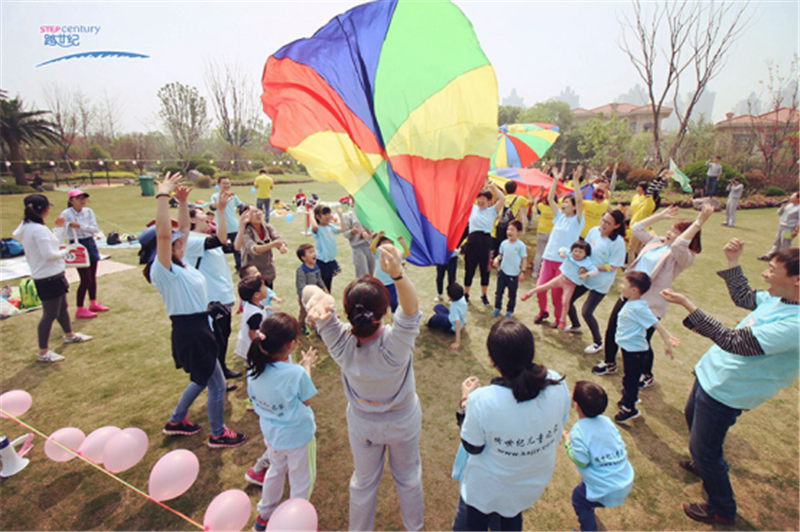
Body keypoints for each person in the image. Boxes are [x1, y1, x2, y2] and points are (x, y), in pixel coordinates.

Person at [660, 242, 799, 525]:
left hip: (729, 391)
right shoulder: (782, 299)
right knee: (692, 420)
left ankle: (721, 508)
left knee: (706, 450)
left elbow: (735, 342)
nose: (765, 274)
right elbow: (745, 297)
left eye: (772, 270)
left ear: (797, 279)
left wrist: (688, 304)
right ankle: (702, 464)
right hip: (712, 375)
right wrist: (732, 260)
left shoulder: (795, 325)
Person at [304, 244, 424, 532]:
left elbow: (307, 292)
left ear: (345, 312)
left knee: (363, 483)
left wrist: (319, 298)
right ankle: (415, 528)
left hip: (363, 424)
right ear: (384, 311)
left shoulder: (339, 339)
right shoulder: (396, 343)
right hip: (402, 422)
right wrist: (397, 274)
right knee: (408, 478)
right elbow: (411, 309)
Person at [146, 173, 246, 448]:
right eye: (175, 239)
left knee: (204, 379)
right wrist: (162, 196)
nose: (180, 239)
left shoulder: (182, 264)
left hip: (199, 327)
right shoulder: (163, 270)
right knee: (213, 384)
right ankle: (217, 433)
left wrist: (182, 201)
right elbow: (166, 234)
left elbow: (182, 231)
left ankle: (176, 420)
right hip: (190, 332)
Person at [452, 319, 570, 531]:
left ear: (491, 360)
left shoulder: (482, 400)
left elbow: (473, 446)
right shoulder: (556, 383)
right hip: (527, 485)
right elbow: (560, 421)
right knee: (509, 517)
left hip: (486, 489)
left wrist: (465, 402)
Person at [593, 204, 712, 383]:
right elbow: (636, 227)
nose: (670, 233)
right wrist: (661, 216)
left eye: (675, 231)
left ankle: (646, 374)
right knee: (613, 328)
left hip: (649, 302)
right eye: (670, 229)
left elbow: (679, 245)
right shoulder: (657, 242)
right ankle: (609, 361)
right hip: (629, 294)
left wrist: (698, 222)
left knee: (642, 341)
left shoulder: (683, 256)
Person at [248, 313, 319, 532]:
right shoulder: (295, 373)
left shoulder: (253, 370)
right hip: (298, 437)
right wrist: (306, 365)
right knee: (301, 482)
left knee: (275, 472)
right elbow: (306, 399)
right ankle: (298, 523)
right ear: (292, 343)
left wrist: (299, 366)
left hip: (273, 436)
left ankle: (264, 516)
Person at [13, 194, 92, 362]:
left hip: (50, 274)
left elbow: (50, 245)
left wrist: (57, 230)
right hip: (47, 276)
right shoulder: (37, 229)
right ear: (45, 209)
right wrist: (67, 251)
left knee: (62, 306)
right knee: (49, 314)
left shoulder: (27, 227)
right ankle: (43, 352)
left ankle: (69, 334)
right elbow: (50, 254)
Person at [562, 381, 634, 532]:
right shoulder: (606, 421)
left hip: (606, 487)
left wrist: (568, 443)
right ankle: (592, 505)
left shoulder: (578, 431)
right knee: (586, 493)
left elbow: (581, 460)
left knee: (578, 499)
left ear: (577, 405)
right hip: (624, 479)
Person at [612, 271, 678, 423]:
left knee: (631, 380)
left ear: (634, 290)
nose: (621, 286)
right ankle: (629, 399)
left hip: (635, 352)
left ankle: (629, 409)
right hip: (628, 349)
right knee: (629, 378)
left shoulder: (638, 308)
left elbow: (656, 324)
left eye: (624, 285)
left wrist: (667, 343)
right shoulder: (631, 302)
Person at [185, 201, 242, 381]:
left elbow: (234, 247)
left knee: (223, 335)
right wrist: (221, 211)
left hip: (222, 296)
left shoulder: (204, 237)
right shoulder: (191, 240)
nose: (207, 217)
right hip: (210, 299)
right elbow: (219, 240)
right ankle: (216, 377)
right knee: (215, 338)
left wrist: (243, 224)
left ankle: (222, 369)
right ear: (192, 219)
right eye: (202, 214)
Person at [567, 210, 627, 353]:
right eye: (603, 219)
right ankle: (575, 325)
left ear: (617, 225)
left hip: (600, 282)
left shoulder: (618, 242)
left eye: (608, 223)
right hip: (585, 276)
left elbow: (613, 266)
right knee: (567, 300)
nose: (603, 224)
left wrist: (592, 268)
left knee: (587, 311)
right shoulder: (594, 231)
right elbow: (585, 250)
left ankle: (598, 342)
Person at [533, 163, 584, 326]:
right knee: (540, 287)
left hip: (564, 262)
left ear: (574, 206)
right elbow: (549, 198)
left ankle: (557, 318)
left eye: (567, 203)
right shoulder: (559, 217)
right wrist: (555, 179)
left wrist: (575, 182)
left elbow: (580, 200)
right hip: (548, 258)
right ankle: (542, 311)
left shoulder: (577, 221)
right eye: (563, 202)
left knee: (556, 294)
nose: (563, 205)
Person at [522, 241, 597, 329]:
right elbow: (561, 248)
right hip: (561, 278)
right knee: (543, 286)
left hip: (570, 284)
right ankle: (529, 293)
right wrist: (561, 253)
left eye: (580, 252)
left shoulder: (586, 262)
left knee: (565, 301)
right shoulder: (569, 254)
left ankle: (562, 320)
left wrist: (585, 275)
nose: (577, 254)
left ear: (585, 254)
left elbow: (595, 271)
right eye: (575, 251)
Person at [59, 189, 108, 320]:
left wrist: (80, 226)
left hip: (89, 242)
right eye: (78, 198)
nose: (82, 200)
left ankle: (93, 303)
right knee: (85, 278)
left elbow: (94, 229)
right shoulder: (66, 214)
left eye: (84, 198)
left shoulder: (88, 211)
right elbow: (63, 230)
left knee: (92, 276)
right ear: (71, 201)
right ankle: (79, 308)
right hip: (76, 243)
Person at [463, 182, 505, 306]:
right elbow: (466, 194)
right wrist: (477, 185)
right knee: (469, 269)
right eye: (479, 199)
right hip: (472, 241)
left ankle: (484, 295)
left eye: (484, 199)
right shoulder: (472, 208)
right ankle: (466, 294)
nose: (481, 201)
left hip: (486, 242)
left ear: (488, 201)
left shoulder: (492, 211)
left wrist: (493, 187)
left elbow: (502, 198)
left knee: (484, 270)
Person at [237, 205, 288, 288]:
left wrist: (282, 246)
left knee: (267, 297)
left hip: (267, 272)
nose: (258, 214)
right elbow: (255, 249)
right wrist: (273, 244)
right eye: (254, 213)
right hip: (251, 275)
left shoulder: (267, 227)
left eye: (258, 211)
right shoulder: (244, 232)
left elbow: (277, 238)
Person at [491, 220, 527, 319]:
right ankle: (497, 308)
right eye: (508, 229)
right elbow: (500, 255)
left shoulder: (521, 245)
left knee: (512, 294)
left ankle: (509, 310)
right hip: (502, 272)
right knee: (498, 292)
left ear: (518, 232)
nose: (509, 232)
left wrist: (522, 272)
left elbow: (524, 259)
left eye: (512, 230)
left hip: (513, 274)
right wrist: (496, 259)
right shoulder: (503, 243)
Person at [369, 233, 410, 313]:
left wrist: (402, 243)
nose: (387, 245)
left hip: (391, 282)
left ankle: (394, 314)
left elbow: (406, 254)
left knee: (393, 301)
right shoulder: (378, 253)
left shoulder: (395, 254)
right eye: (384, 243)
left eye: (389, 243)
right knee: (378, 300)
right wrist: (377, 237)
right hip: (379, 281)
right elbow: (372, 247)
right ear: (380, 246)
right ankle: (379, 314)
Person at [209, 176, 244, 269]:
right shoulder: (215, 196)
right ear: (219, 184)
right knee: (219, 250)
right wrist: (217, 204)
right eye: (224, 183)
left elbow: (241, 205)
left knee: (237, 249)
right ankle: (220, 268)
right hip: (221, 228)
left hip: (233, 226)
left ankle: (239, 267)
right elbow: (212, 206)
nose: (226, 185)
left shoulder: (233, 196)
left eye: (228, 183)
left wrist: (239, 209)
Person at [295, 243, 327, 336]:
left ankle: (317, 327)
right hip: (305, 296)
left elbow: (319, 279)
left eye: (313, 251)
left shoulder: (316, 266)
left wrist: (324, 288)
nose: (314, 254)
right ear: (303, 257)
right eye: (310, 252)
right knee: (304, 311)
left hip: (315, 295)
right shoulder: (301, 270)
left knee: (316, 310)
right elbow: (301, 285)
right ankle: (301, 324)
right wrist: (304, 297)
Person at [758, 191, 799, 261]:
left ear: (798, 199)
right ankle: (770, 256)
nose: (790, 198)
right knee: (777, 242)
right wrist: (782, 207)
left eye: (793, 197)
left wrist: (795, 231)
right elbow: (779, 213)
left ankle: (783, 259)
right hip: (782, 226)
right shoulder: (789, 205)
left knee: (784, 244)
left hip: (789, 228)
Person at [310, 204, 342, 292]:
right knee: (320, 286)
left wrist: (340, 215)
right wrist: (311, 214)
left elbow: (343, 229)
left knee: (328, 286)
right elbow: (315, 227)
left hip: (330, 261)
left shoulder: (330, 227)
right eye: (325, 214)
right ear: (318, 216)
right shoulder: (317, 229)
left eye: (328, 213)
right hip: (321, 262)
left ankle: (327, 303)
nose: (328, 216)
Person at [341, 197, 376, 278]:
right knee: (362, 276)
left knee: (371, 275)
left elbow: (374, 228)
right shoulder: (348, 214)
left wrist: (371, 234)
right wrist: (353, 231)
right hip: (358, 248)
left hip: (370, 246)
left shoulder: (367, 211)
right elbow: (345, 234)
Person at [427, 282, 467, 351]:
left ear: (450, 297)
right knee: (438, 307)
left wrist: (457, 342)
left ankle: (429, 323)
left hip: (451, 326)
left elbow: (456, 323)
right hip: (452, 317)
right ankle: (438, 316)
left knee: (436, 318)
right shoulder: (463, 299)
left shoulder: (454, 306)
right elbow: (462, 312)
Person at [491, 180, 528, 255]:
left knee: (499, 242)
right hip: (510, 225)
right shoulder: (519, 198)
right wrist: (528, 192)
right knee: (508, 243)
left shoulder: (502, 197)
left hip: (499, 223)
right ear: (515, 189)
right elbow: (530, 203)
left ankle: (496, 258)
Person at [626, 181, 656, 264]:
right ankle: (636, 265)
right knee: (635, 248)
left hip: (640, 227)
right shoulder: (636, 197)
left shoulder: (648, 201)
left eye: (639, 187)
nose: (637, 188)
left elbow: (653, 190)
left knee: (632, 248)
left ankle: (630, 267)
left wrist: (661, 177)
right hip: (634, 224)